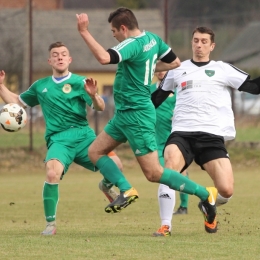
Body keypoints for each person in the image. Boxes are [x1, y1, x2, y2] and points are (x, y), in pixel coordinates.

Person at [76, 7, 218, 232]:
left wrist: (84, 31)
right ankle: (125, 189)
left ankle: (204, 194)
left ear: (124, 28)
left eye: (114, 31)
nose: (114, 35)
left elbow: (104, 58)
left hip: (137, 115)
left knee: (154, 173)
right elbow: (175, 62)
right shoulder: (153, 39)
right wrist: (148, 66)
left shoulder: (131, 43)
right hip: (124, 114)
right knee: (95, 152)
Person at [0, 42, 125, 235]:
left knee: (117, 165)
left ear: (69, 59)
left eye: (64, 54)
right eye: (55, 54)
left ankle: (106, 186)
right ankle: (50, 225)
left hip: (84, 136)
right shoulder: (40, 86)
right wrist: (1, 86)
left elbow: (99, 107)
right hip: (59, 140)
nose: (60, 57)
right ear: (50, 60)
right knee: (52, 174)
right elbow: (17, 102)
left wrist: (93, 96)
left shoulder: (81, 82)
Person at [151, 26, 260, 233]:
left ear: (212, 46)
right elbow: (155, 99)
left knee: (226, 190)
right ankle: (166, 224)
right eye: (196, 40)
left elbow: (254, 87)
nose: (199, 45)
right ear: (192, 42)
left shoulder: (223, 69)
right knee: (169, 168)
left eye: (203, 41)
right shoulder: (177, 69)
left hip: (212, 135)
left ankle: (207, 203)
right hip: (182, 133)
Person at [150, 71, 189, 237]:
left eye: (164, 69)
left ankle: (183, 206)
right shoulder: (150, 90)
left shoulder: (178, 91)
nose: (160, 72)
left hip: (174, 141)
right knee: (163, 175)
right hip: (155, 141)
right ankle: (202, 195)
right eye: (157, 68)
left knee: (174, 173)